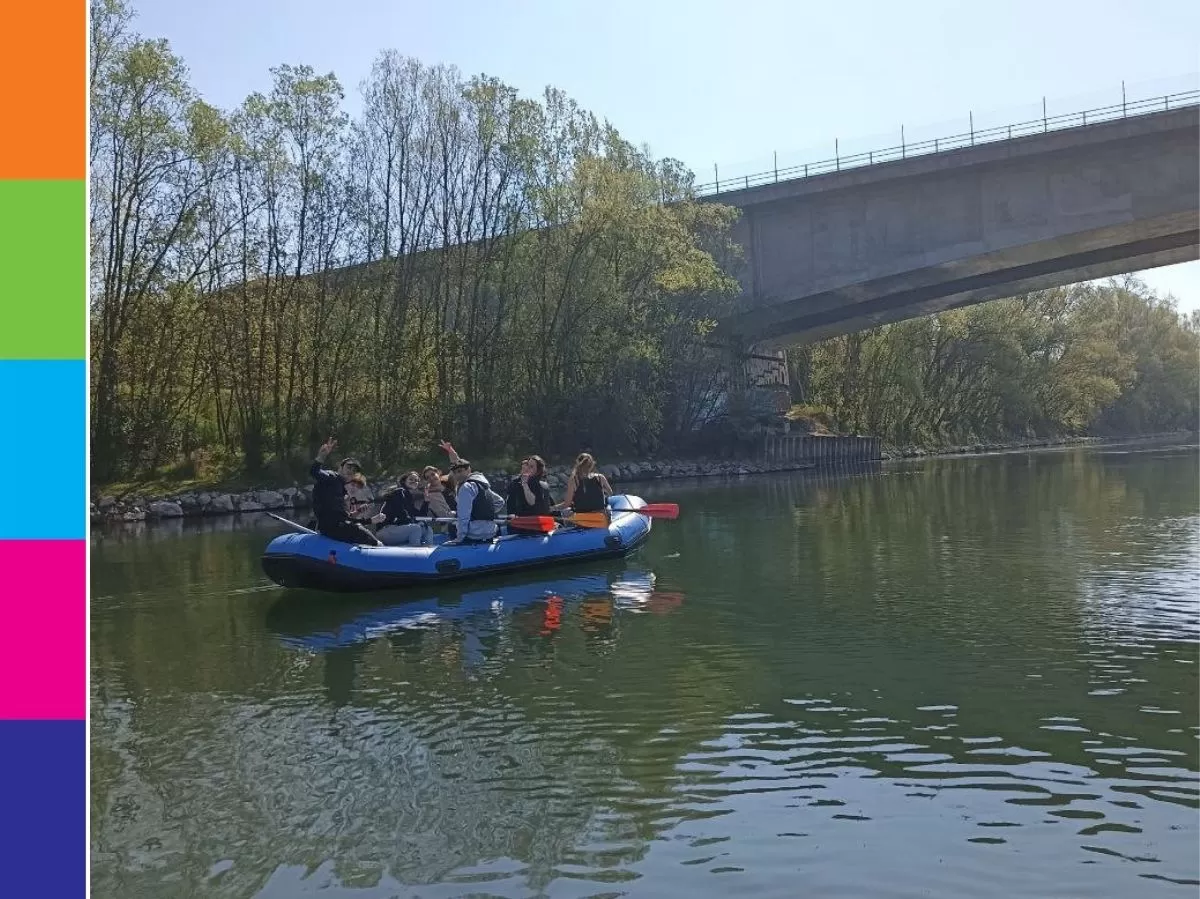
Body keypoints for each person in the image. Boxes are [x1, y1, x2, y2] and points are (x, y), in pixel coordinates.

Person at [309, 437, 382, 546]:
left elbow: (344, 517)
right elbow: (314, 471)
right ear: (340, 468)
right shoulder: (331, 477)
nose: (350, 472)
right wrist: (321, 456)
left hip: (338, 525)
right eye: (348, 468)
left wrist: (360, 514)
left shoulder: (342, 488)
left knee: (361, 531)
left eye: (354, 471)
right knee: (367, 536)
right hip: (330, 527)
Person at [444, 457, 503, 545]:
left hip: (473, 534)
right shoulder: (483, 485)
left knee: (452, 525)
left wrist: (460, 538)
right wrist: (483, 511)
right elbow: (500, 502)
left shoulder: (466, 487)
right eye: (455, 473)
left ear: (469, 470)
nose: (457, 475)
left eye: (460, 471)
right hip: (490, 532)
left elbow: (464, 516)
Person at [371, 471, 431, 546]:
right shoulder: (399, 492)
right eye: (411, 479)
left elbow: (420, 516)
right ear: (404, 481)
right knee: (416, 528)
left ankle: (428, 552)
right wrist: (414, 522)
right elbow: (400, 513)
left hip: (398, 530)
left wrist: (426, 501)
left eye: (416, 480)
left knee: (428, 530)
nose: (414, 482)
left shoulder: (408, 497)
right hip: (385, 531)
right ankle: (415, 551)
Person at [507, 455, 553, 535]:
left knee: (510, 525)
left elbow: (532, 502)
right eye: (528, 465)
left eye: (531, 466)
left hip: (532, 527)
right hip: (543, 525)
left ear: (538, 470)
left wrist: (524, 484)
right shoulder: (544, 484)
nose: (527, 468)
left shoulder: (530, 483)